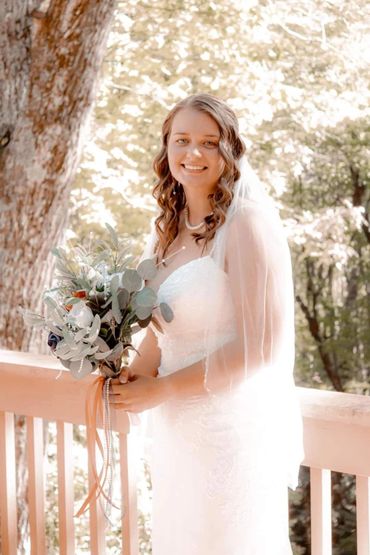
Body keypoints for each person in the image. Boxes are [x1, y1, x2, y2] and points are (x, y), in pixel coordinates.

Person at [110, 93, 305, 554]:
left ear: (229, 151)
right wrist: (133, 375)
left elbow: (261, 348)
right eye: (182, 140)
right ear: (166, 149)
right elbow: (161, 326)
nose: (193, 153)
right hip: (176, 433)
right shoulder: (168, 229)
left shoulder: (248, 226)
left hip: (229, 434)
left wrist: (161, 389)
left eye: (208, 142)